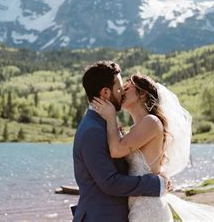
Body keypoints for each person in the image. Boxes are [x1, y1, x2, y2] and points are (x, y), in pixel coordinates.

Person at [91, 72, 214, 222]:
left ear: (143, 95)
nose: (123, 90)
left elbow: (116, 150)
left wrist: (110, 118)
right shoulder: (135, 129)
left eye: (128, 87)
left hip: (149, 208)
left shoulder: (151, 122)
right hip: (139, 205)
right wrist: (162, 173)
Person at [72, 61, 172, 222]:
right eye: (119, 89)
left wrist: (159, 172)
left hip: (138, 210)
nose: (122, 92)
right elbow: (110, 183)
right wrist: (156, 183)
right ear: (105, 93)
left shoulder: (104, 125)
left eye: (125, 88)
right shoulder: (93, 130)